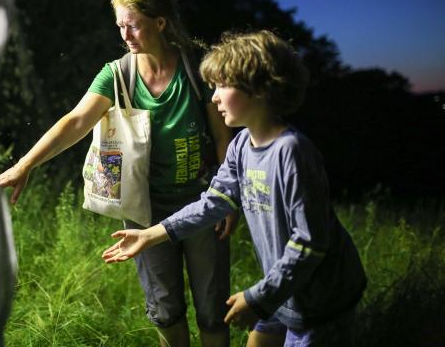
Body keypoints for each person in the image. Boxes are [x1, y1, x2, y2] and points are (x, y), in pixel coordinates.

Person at [0, 0, 236, 347]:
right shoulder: (116, 74)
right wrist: (24, 165)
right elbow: (75, 122)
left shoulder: (196, 67)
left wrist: (227, 199)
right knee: (164, 308)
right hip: (143, 207)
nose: (125, 35)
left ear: (160, 22)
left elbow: (223, 138)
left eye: (133, 25)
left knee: (211, 309)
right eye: (120, 25)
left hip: (202, 201)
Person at [102, 30, 367, 347]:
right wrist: (150, 234)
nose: (213, 97)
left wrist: (256, 298)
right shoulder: (241, 145)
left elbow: (309, 244)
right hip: (281, 291)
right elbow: (212, 203)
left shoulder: (292, 152)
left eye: (221, 86)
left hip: (319, 301)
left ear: (257, 88)